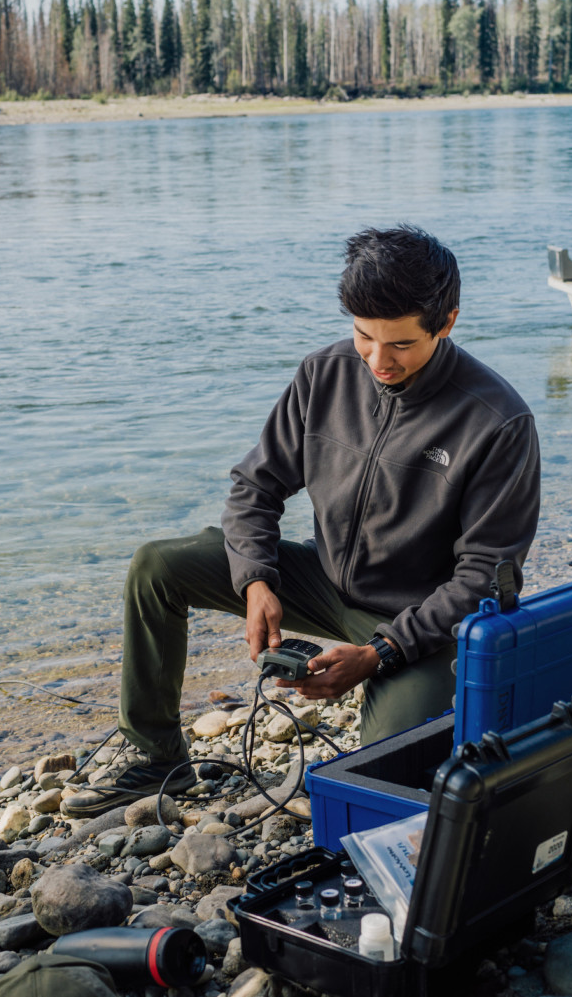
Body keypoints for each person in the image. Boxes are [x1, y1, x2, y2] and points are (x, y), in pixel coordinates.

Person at [63, 225, 540, 818]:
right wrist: (256, 579)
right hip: (325, 581)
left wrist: (379, 655)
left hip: (421, 621)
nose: (378, 360)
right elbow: (254, 487)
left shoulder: (498, 421)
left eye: (401, 345)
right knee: (157, 567)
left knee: (381, 786)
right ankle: (156, 754)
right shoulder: (325, 374)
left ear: (446, 322)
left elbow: (481, 583)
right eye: (365, 337)